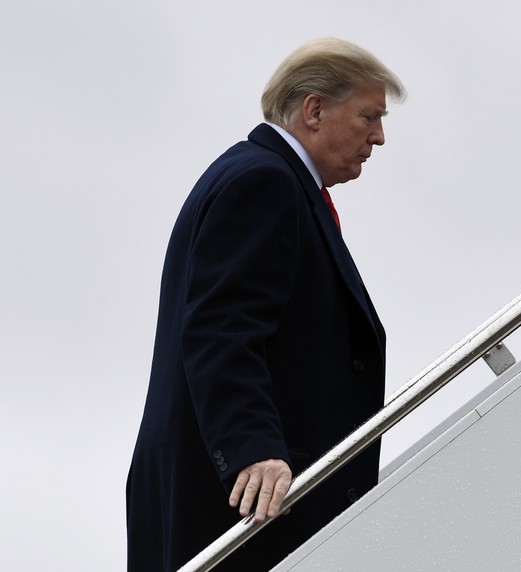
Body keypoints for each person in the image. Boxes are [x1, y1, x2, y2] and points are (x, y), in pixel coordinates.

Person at [126, 38, 405, 571]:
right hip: (244, 503)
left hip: (233, 496)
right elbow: (220, 329)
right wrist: (251, 446)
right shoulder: (265, 181)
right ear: (315, 110)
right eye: (368, 116)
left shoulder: (263, 176)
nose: (380, 137)